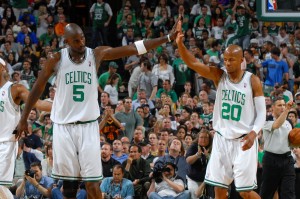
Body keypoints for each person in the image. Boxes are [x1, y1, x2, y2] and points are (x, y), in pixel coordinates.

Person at [17, 22, 178, 199]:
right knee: (68, 185)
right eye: (76, 41)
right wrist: (23, 118)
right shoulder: (56, 59)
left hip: (88, 126)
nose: (81, 43)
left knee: (92, 183)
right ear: (67, 41)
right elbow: (37, 88)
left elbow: (133, 48)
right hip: (64, 127)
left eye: (83, 38)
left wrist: (167, 38)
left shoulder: (95, 54)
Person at [176, 19, 266, 199]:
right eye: (225, 59)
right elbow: (194, 64)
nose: (227, 63)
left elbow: (262, 112)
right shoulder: (219, 76)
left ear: (241, 60)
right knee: (219, 189)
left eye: (231, 60)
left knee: (245, 192)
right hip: (221, 140)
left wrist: (254, 133)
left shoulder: (252, 80)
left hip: (243, 141)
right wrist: (180, 44)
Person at [0, 58, 50, 194]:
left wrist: (62, 106)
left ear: (2, 68)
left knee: (0, 188)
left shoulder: (14, 89)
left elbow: (38, 103)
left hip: (5, 144)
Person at [260, 97, 296, 199]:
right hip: (271, 160)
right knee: (267, 194)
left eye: (284, 105)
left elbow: (291, 141)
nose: (283, 107)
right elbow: (276, 125)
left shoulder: (289, 122)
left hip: (287, 160)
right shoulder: (267, 120)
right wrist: (287, 110)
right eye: (279, 105)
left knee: (289, 193)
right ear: (272, 108)